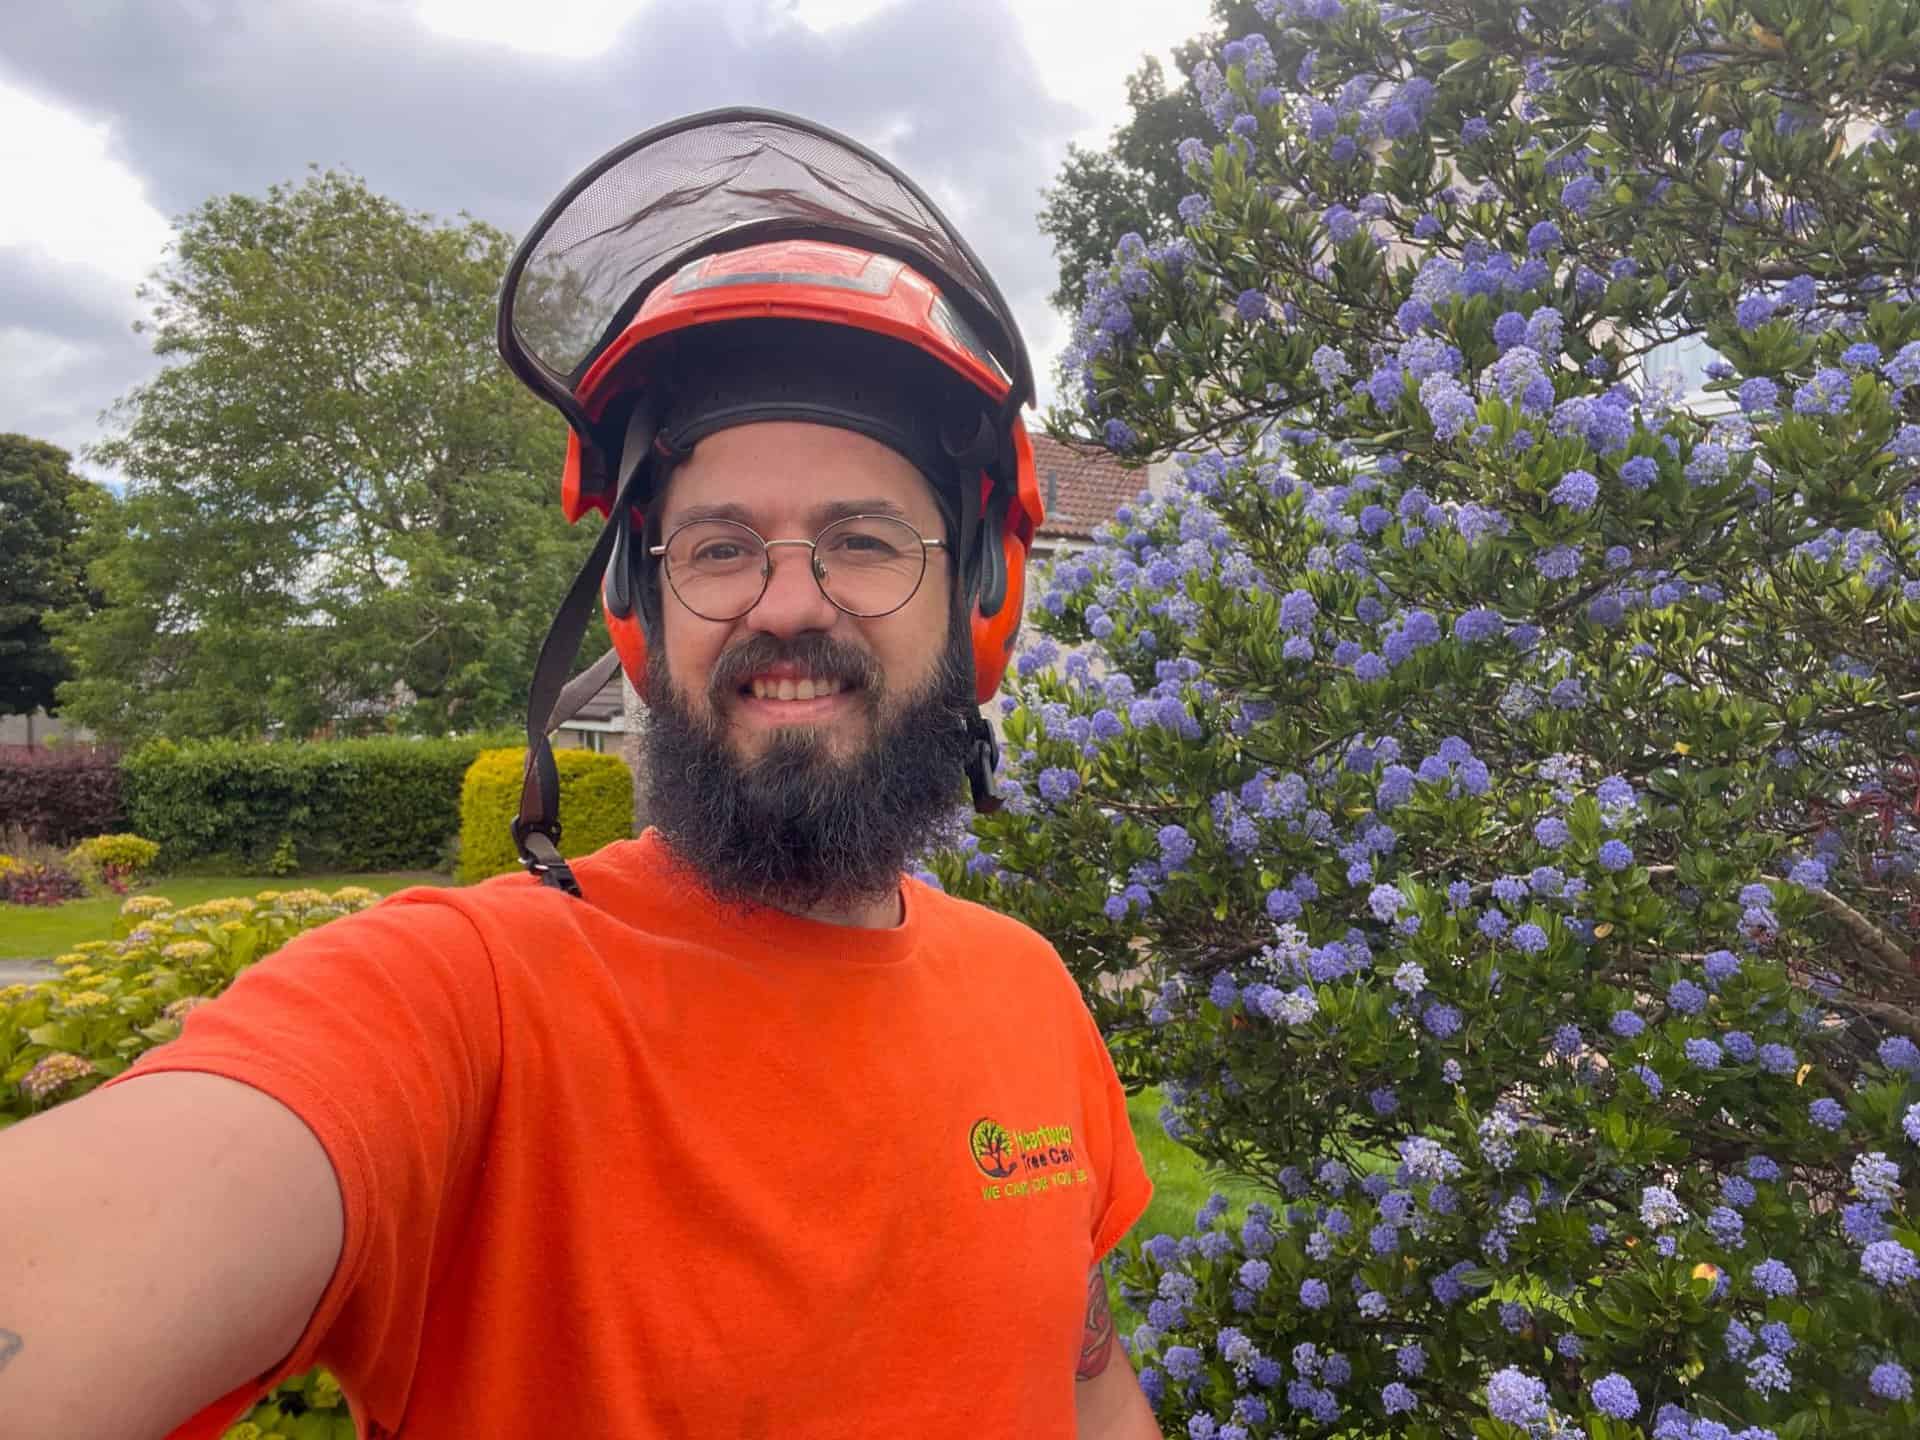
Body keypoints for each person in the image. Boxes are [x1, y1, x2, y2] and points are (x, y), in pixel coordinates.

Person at [0, 110, 1158, 1439]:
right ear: (635, 614)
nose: (789, 603)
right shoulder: (466, 999)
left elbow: (1083, 1383)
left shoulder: (1029, 992)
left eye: (864, 540)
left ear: (980, 604)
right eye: (721, 548)